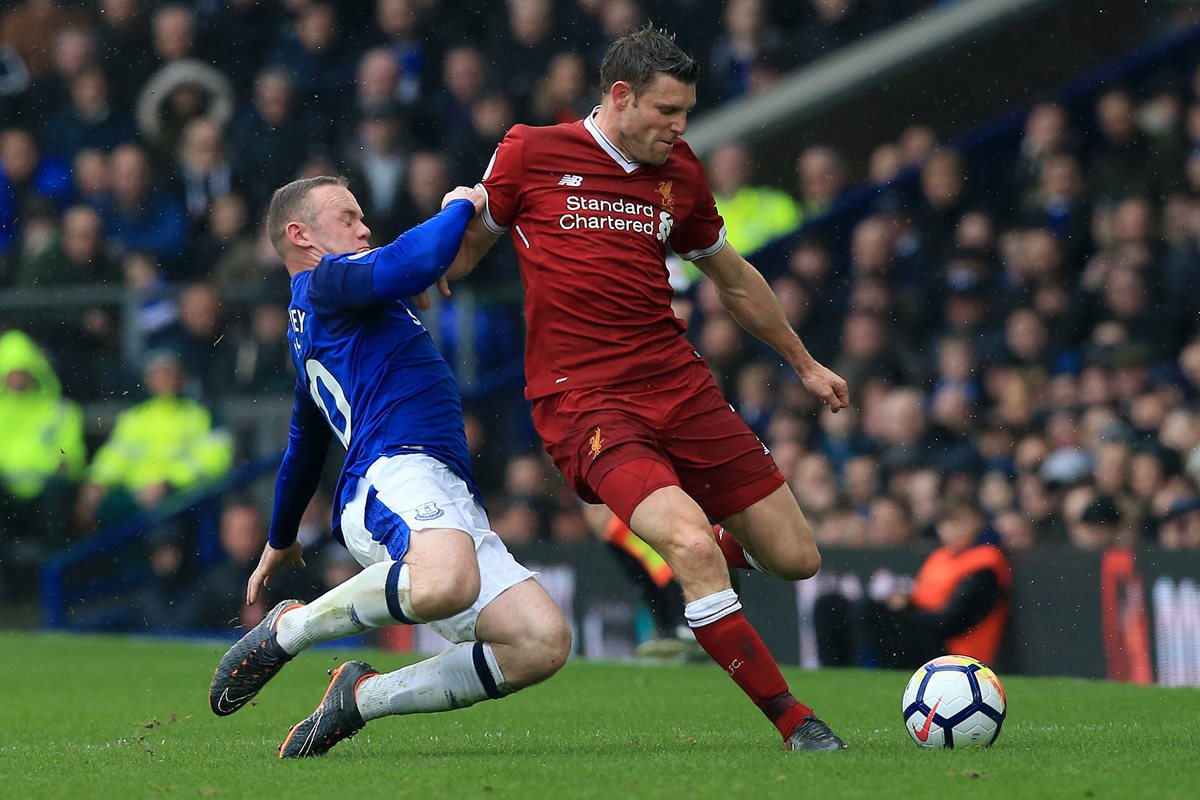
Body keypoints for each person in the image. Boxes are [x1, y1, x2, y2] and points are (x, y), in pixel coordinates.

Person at [444, 27, 849, 752]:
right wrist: (435, 251)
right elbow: (470, 248)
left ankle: (714, 548)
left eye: (687, 111)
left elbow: (733, 277)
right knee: (688, 544)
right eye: (667, 111)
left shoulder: (680, 172)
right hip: (586, 402)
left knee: (796, 557)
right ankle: (795, 721)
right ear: (621, 96)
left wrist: (805, 363)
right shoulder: (530, 152)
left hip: (679, 385)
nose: (680, 126)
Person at [207, 175, 570, 759]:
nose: (364, 227)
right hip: (393, 472)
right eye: (347, 218)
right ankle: (290, 630)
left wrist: (280, 536)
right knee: (447, 582)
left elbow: (305, 440)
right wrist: (458, 205)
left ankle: (362, 698)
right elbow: (412, 260)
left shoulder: (320, 314)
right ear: (301, 236)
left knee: (541, 641)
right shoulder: (327, 281)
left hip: (441, 485)